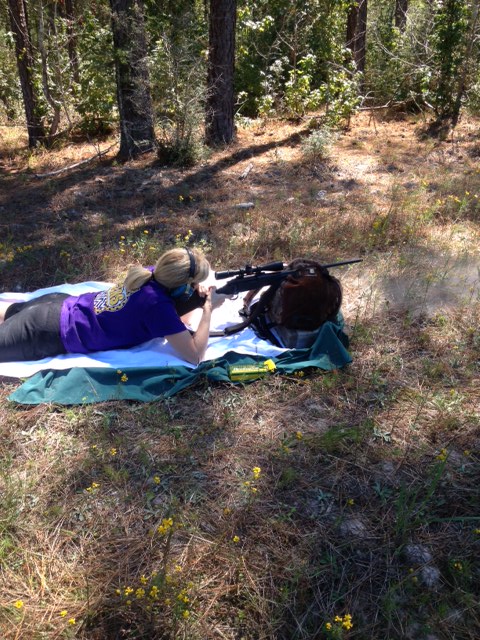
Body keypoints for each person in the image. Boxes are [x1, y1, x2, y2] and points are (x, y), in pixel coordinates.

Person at [0, 247, 227, 365]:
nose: (194, 287)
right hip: (49, 332)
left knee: (8, 313)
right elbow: (195, 355)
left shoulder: (150, 274)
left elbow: (177, 318)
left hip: (57, 305)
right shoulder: (158, 306)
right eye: (192, 283)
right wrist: (207, 308)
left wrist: (193, 296)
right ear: (179, 285)